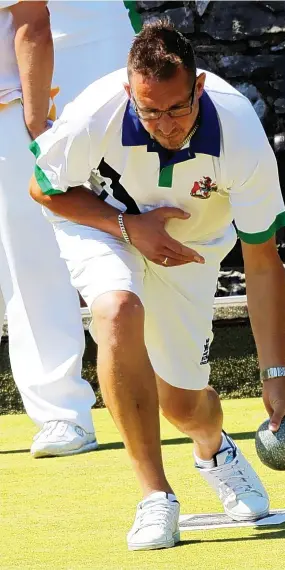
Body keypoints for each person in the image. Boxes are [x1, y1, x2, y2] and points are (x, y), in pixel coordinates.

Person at [30, 20, 285, 550]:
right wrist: (127, 226)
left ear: (198, 87)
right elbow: (44, 188)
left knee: (183, 406)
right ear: (129, 92)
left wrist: (276, 380)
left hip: (191, 251)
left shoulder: (239, 134)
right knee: (116, 310)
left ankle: (213, 448)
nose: (165, 124)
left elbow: (263, 262)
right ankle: (155, 496)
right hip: (102, 226)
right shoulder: (96, 114)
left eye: (178, 108)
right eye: (150, 110)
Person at [0, 1, 136, 457]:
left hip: (39, 96)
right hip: (48, 91)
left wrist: (38, 126)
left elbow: (31, 23)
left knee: (33, 257)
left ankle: (65, 414)